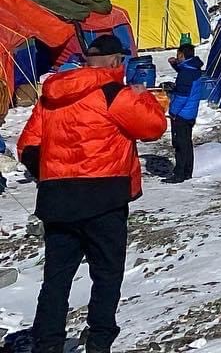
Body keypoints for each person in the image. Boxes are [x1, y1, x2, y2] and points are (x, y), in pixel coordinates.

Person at [17, 33, 167, 353]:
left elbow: (28, 147)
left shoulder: (51, 96)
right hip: (105, 198)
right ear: (115, 62)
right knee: (106, 275)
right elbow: (153, 128)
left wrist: (51, 176)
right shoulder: (115, 94)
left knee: (56, 281)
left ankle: (47, 345)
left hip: (57, 199)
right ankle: (99, 343)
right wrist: (143, 96)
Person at [166, 40, 204, 184]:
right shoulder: (193, 68)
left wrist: (173, 112)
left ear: (182, 55)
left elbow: (182, 96)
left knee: (180, 144)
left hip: (182, 114)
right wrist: (175, 64)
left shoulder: (186, 74)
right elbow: (184, 71)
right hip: (190, 113)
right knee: (187, 143)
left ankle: (179, 174)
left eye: (178, 55)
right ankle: (188, 171)